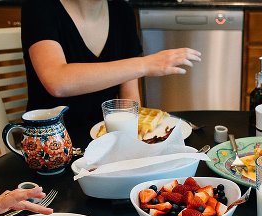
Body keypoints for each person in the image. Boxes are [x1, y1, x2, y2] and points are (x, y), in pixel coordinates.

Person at [22, 0, 202, 136]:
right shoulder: (39, 7)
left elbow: (129, 99)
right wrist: (144, 64)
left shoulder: (122, 12)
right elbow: (57, 81)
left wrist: (135, 140)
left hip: (105, 138)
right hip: (51, 147)